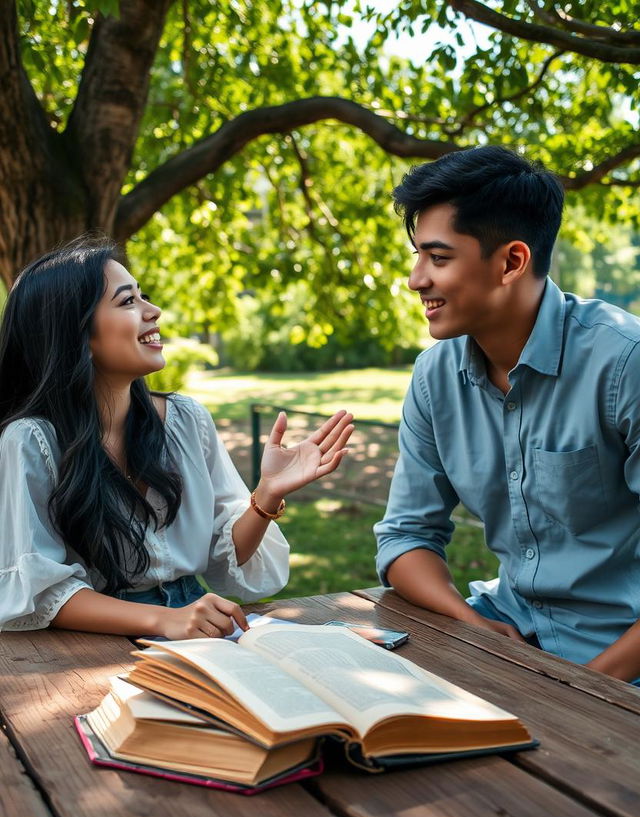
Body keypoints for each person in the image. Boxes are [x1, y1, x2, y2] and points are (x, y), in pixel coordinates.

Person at [375, 145, 640, 683]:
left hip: (619, 654)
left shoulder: (624, 364)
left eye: (438, 258)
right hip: (509, 626)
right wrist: (471, 622)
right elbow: (405, 537)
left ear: (512, 262)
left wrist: (581, 690)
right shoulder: (434, 375)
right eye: (418, 255)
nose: (415, 279)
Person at [0, 237, 353, 639]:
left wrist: (267, 495)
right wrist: (164, 620)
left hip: (197, 625)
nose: (154, 311)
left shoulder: (185, 419)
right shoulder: (32, 441)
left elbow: (224, 563)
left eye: (143, 296)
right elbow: (40, 589)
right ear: (75, 331)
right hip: (93, 642)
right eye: (127, 301)